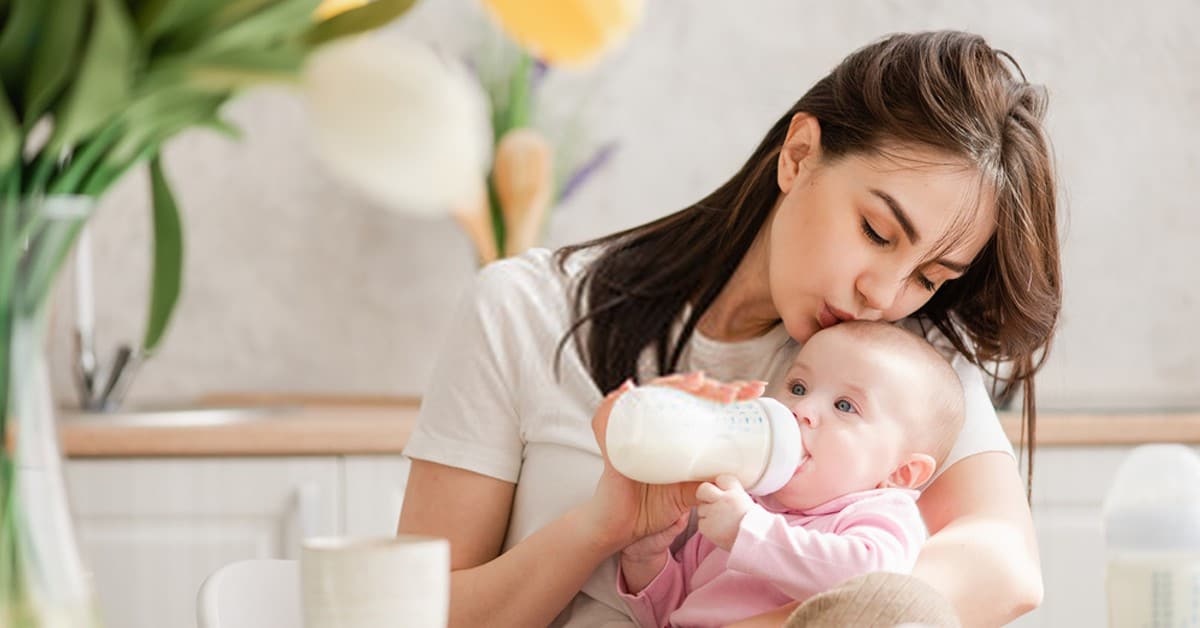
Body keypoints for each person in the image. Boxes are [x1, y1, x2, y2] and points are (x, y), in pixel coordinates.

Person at [398, 29, 1060, 628]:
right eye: (876, 232)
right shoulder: (525, 310)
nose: (882, 295)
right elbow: (417, 613)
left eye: (931, 276)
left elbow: (1002, 566)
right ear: (799, 157)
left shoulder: (901, 363)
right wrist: (599, 531)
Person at [616, 321, 965, 628]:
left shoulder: (876, 514)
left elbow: (870, 585)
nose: (803, 409)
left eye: (845, 406)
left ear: (901, 472)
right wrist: (646, 562)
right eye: (798, 387)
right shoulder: (743, 501)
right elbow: (673, 614)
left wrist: (746, 532)